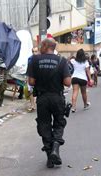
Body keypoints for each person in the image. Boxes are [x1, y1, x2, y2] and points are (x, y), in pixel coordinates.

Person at [27, 38, 71, 168]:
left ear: (45, 46)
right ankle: (55, 149)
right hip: (57, 98)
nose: (39, 47)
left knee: (44, 125)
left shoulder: (34, 60)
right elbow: (68, 82)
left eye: (41, 45)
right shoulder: (62, 61)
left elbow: (31, 82)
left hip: (42, 99)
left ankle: (49, 156)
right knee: (59, 123)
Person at [27, 47, 39, 112]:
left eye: (36, 51)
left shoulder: (40, 59)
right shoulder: (30, 59)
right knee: (30, 91)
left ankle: (37, 104)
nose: (34, 53)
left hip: (38, 78)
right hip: (30, 77)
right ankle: (32, 105)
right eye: (33, 51)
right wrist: (27, 78)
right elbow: (28, 69)